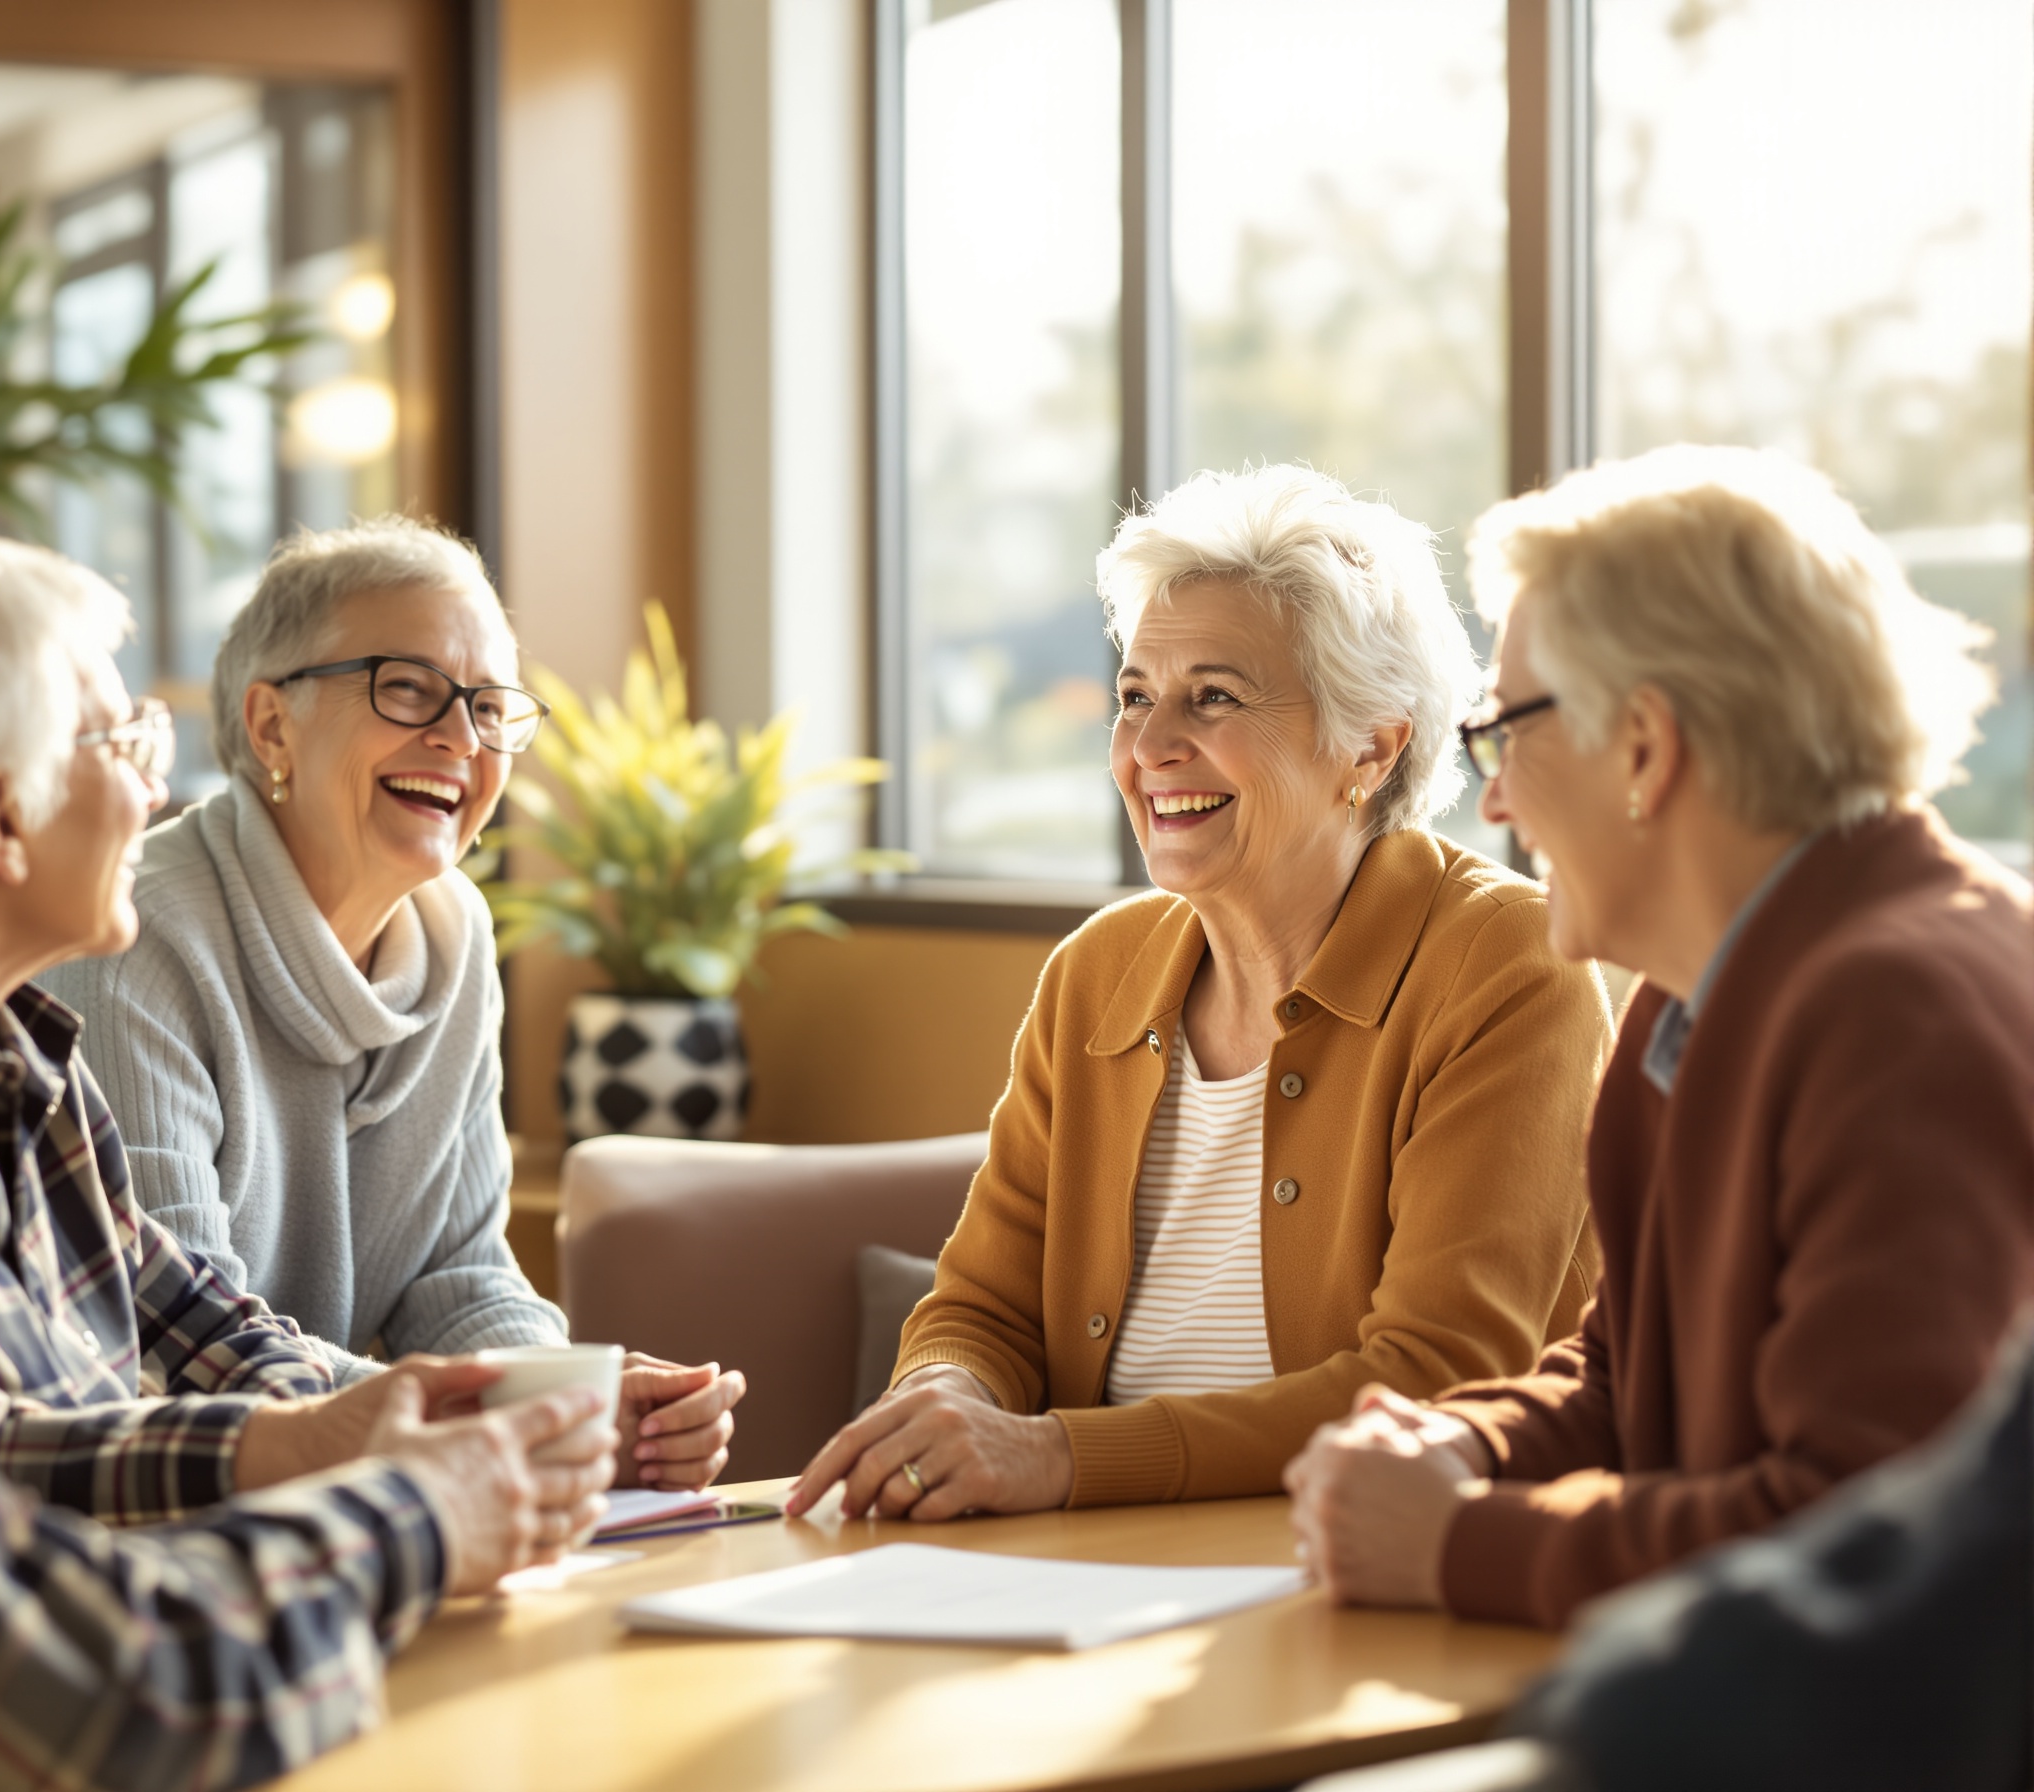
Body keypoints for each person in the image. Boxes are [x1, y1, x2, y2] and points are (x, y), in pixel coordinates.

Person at [0, 515, 603, 1523]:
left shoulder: (13, 1042)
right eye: (123, 743)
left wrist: (521, 1408)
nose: (157, 789)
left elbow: (204, 1326)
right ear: (0, 813)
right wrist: (399, 1519)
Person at [1285, 444, 2034, 1631]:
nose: (1492, 798)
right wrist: (1455, 1447)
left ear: (1643, 746)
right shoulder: (1690, 1002)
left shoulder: (1899, 1010)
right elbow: (1625, 1386)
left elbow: (1866, 1537)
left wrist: (1458, 1543)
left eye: (1505, 732)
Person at [791, 464, 1613, 1522]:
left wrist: (1057, 1457)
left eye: (1212, 697)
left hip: (1368, 1560)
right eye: (1135, 697)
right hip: (1072, 1564)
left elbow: (1432, 1380)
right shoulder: (1099, 972)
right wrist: (947, 1401)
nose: (1149, 747)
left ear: (1371, 744)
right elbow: (982, 1308)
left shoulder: (1505, 960)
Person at [42, 518, 745, 1492]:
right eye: (406, 688)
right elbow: (166, 1345)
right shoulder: (132, 945)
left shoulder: (455, 935)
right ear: (271, 724)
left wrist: (576, 1400)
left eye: (489, 704)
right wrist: (498, 1416)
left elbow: (457, 1278)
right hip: (174, 1509)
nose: (459, 738)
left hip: (348, 1483)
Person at [0, 1200, 615, 1792]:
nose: (138, 858)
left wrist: (468, 1418)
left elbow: (208, 1319)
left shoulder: (23, 1055)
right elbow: (114, 1694)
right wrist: (423, 1504)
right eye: (131, 849)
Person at [1299, 1314, 2034, 1792]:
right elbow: (1612, 1366)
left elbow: (1864, 1520)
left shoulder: (1911, 1075)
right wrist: (1472, 1437)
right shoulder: (1658, 1072)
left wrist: (1460, 1543)